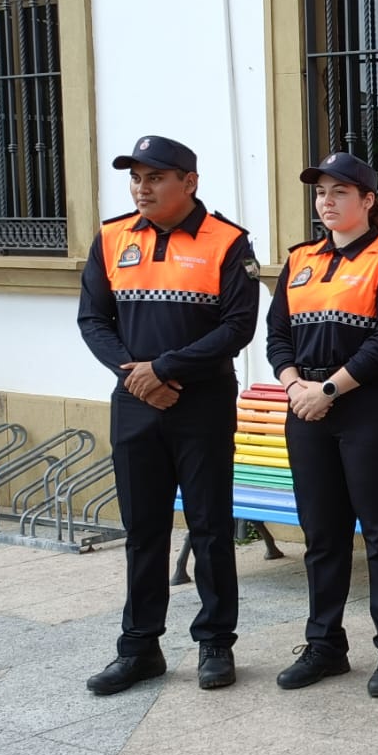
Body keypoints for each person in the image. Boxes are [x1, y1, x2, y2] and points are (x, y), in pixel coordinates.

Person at [80, 136, 259, 697]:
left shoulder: (228, 241)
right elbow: (93, 320)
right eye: (136, 178)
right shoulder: (112, 237)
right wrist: (136, 376)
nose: (142, 188)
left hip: (200, 404)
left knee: (209, 527)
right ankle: (139, 647)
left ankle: (215, 643)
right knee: (143, 529)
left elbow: (237, 328)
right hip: (134, 403)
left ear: (189, 182)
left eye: (155, 177)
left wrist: (163, 368)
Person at [265, 153, 378, 697]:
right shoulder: (301, 260)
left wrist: (328, 390)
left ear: (367, 201)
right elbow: (277, 336)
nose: (326, 202)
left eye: (339, 192)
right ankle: (325, 644)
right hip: (307, 407)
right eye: (320, 193)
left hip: (370, 408)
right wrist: (295, 387)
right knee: (322, 534)